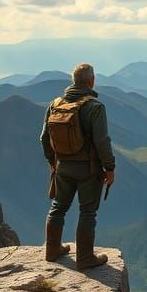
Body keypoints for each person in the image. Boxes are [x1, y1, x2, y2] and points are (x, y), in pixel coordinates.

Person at [40, 62, 115, 269]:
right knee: (88, 212)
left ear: (73, 81)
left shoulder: (55, 105)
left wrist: (53, 162)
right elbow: (102, 142)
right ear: (91, 81)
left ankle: (52, 249)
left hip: (62, 167)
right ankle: (85, 258)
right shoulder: (95, 108)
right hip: (89, 170)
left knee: (58, 207)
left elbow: (44, 138)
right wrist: (109, 168)